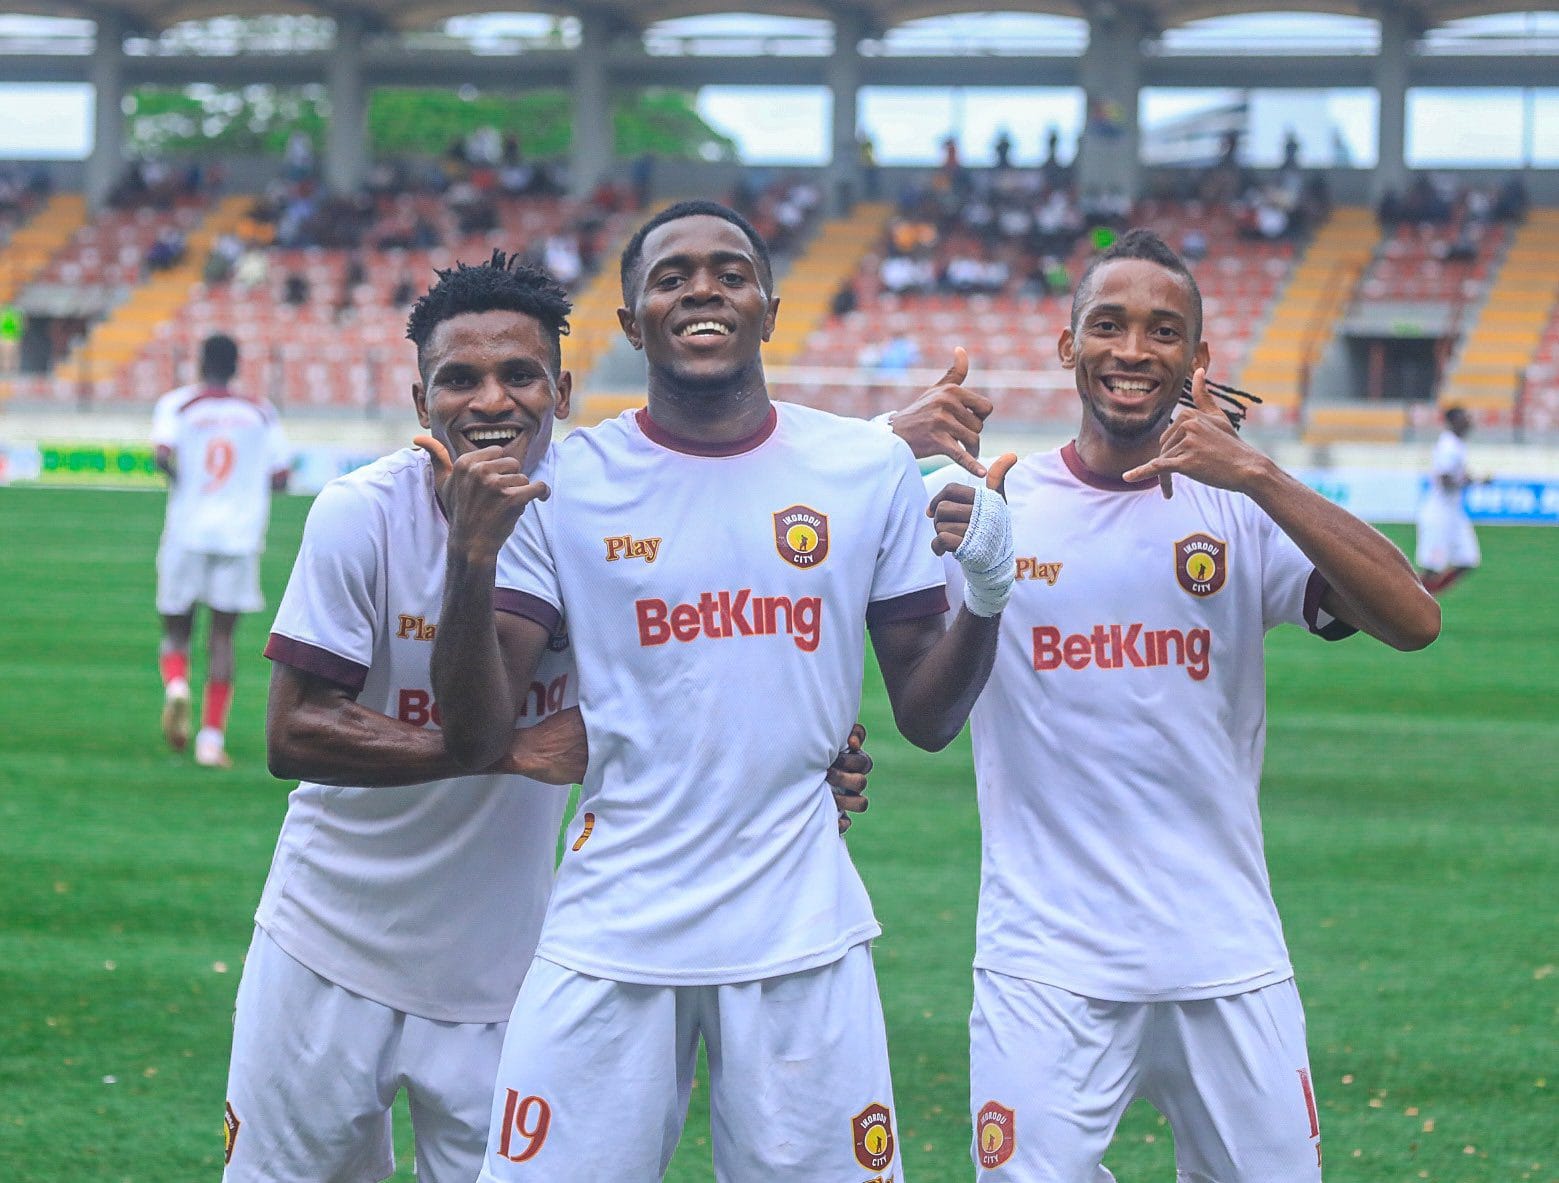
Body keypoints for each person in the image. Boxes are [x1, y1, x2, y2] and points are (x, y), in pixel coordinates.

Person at [221, 250, 975, 1183]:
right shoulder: (360, 515)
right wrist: (504, 751)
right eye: (458, 379)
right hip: (328, 939)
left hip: (507, 956)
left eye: (519, 376)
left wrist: (796, 747)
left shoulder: (580, 504)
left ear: (563, 391)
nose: (490, 401)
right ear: (422, 403)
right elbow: (291, 733)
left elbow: (730, 517)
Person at [429, 200, 1017, 1180]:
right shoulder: (567, 482)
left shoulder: (861, 466)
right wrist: (467, 564)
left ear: (768, 307)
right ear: (630, 323)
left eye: (727, 271)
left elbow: (925, 715)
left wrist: (988, 597)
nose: (701, 287)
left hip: (800, 939)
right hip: (609, 933)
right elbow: (475, 732)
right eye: (670, 276)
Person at [929, 229, 1439, 1181]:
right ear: (1065, 344)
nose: (1132, 350)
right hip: (1047, 957)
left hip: (1224, 952)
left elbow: (1413, 619)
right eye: (1108, 325)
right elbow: (894, 676)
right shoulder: (999, 502)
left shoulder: (1238, 504)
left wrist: (1258, 473)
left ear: (1197, 358)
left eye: (1164, 330)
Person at [151, 334, 290, 768]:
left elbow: (161, 455)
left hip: (188, 530)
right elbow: (282, 476)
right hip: (239, 536)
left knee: (176, 630)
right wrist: (245, 489)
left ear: (199, 363)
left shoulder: (178, 405)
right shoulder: (260, 412)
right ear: (236, 366)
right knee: (223, 638)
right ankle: (210, 740)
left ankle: (176, 686)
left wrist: (182, 481)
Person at [1416, 405, 1483, 595]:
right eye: (1464, 417)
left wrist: (1473, 480)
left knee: (1468, 560)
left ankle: (1427, 598)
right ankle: (1404, 601)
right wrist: (1469, 481)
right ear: (1453, 421)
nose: (1469, 422)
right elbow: (1445, 479)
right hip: (1439, 513)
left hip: (1453, 512)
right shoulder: (1448, 446)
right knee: (1432, 567)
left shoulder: (1457, 445)